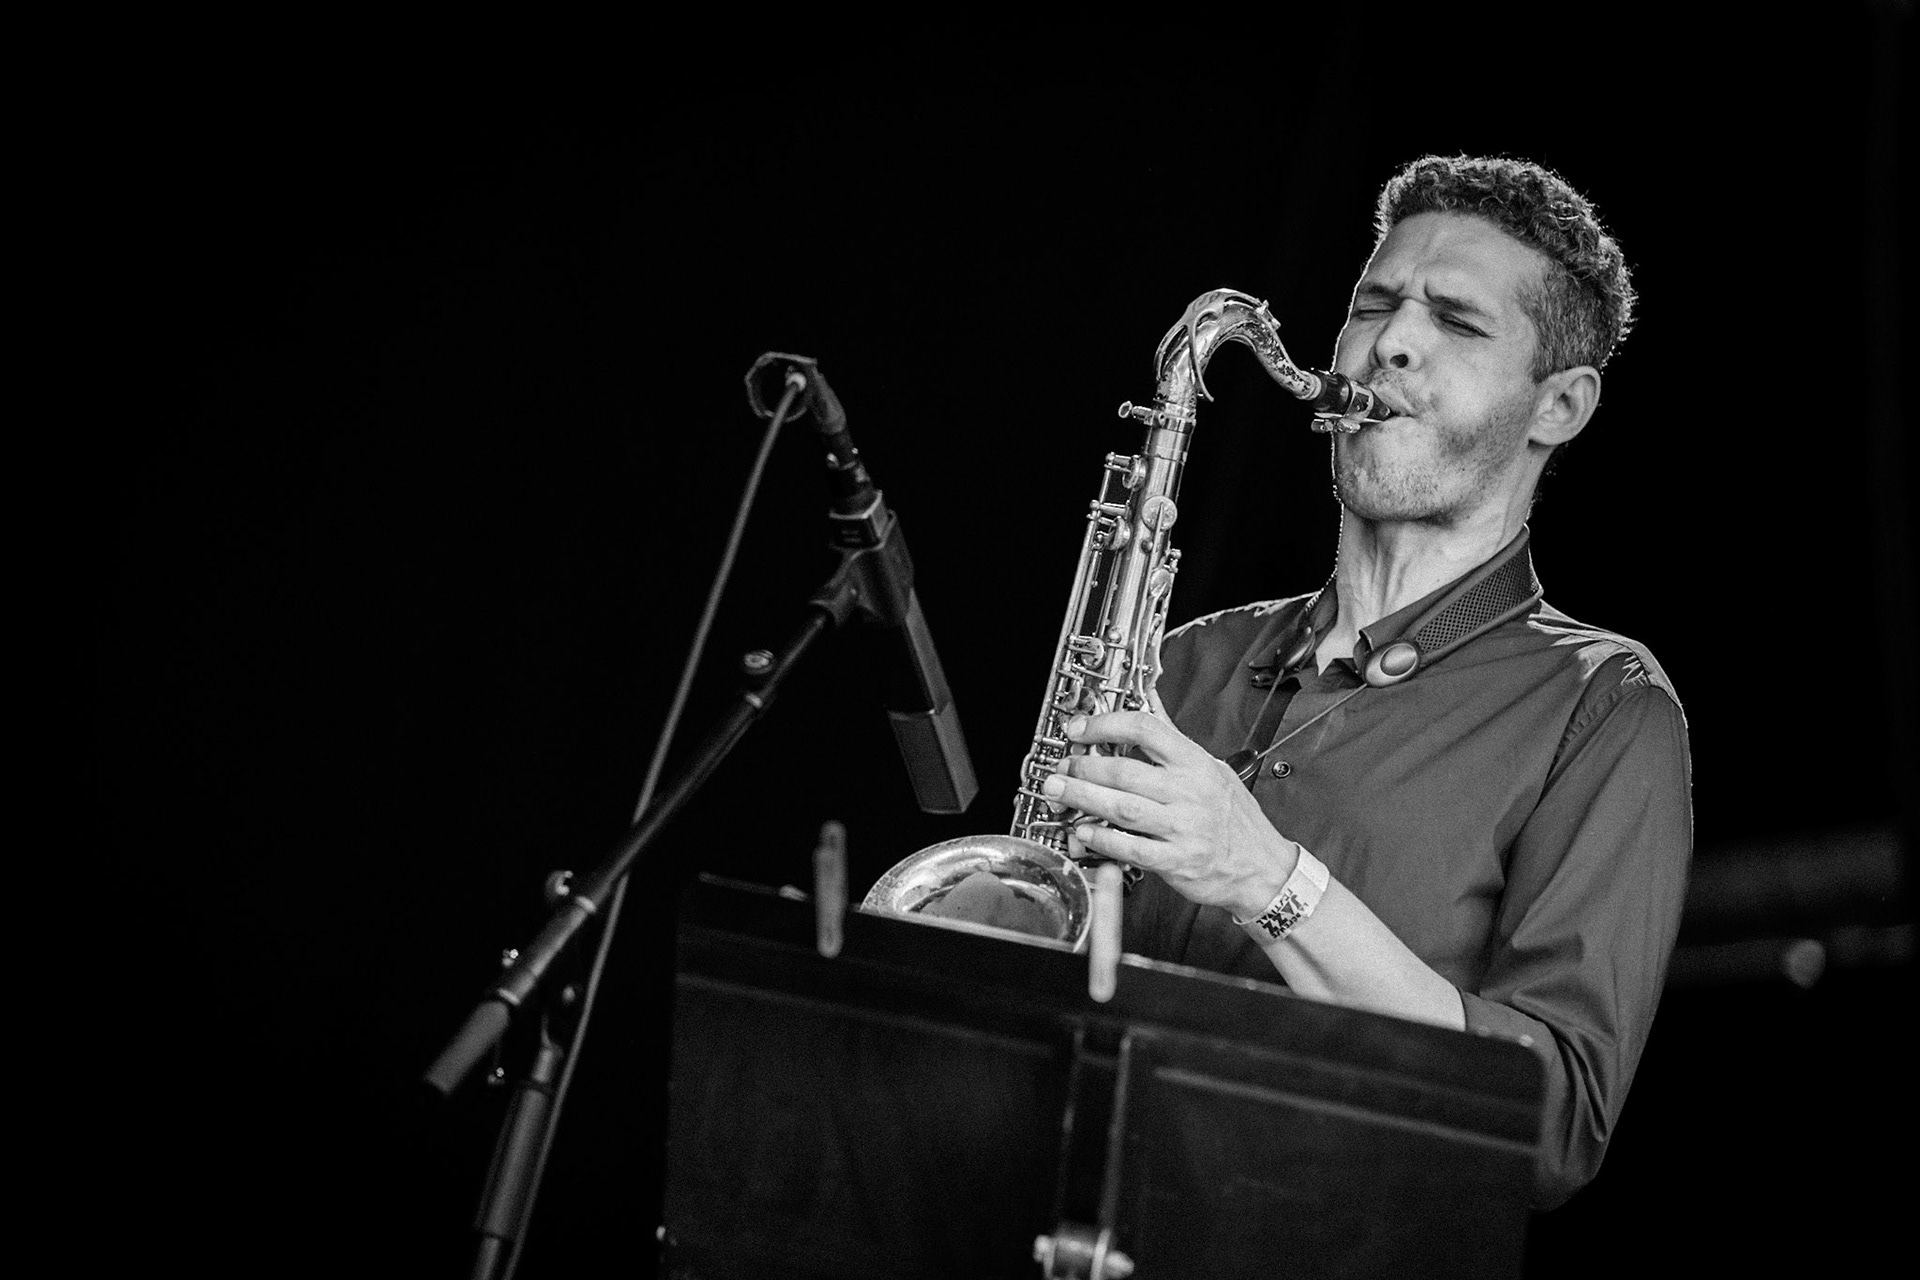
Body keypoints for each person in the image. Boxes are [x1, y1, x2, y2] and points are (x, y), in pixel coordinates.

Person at [1037, 154, 1691, 1208]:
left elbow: (1553, 1121)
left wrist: (1268, 876)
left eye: (1456, 321)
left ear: (1559, 405)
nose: (1388, 341)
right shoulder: (1184, 660)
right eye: (1374, 303)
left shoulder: (1606, 707)